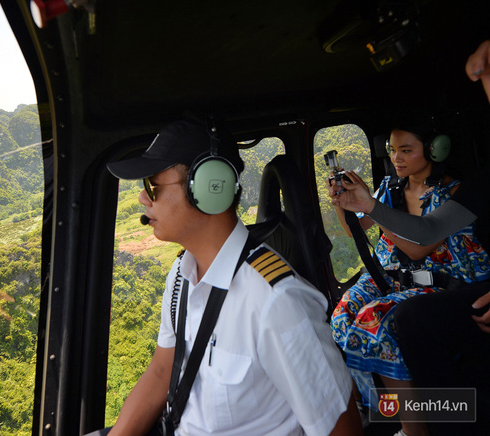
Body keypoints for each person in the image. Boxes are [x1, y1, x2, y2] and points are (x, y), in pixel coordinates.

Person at [100, 119, 362, 435]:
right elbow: (161, 371)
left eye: (153, 186)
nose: (144, 199)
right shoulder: (181, 276)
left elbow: (341, 428)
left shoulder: (277, 303)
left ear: (212, 186)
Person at [331, 40, 490, 436]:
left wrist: (372, 208)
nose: (397, 158)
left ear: (433, 150)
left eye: (406, 150)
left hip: (437, 281)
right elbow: (359, 228)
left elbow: (420, 243)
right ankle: (386, 414)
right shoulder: (389, 188)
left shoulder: (451, 191)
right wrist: (347, 203)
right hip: (393, 276)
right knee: (342, 314)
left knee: (381, 323)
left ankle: (414, 425)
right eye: (392, 150)